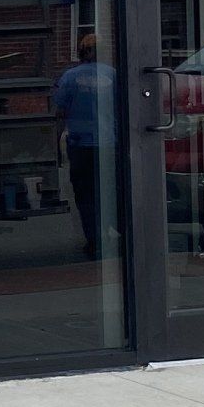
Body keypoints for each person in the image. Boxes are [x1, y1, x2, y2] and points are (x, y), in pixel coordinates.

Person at [52, 31, 117, 258]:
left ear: (82, 52)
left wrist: (55, 147)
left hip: (81, 145)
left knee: (85, 194)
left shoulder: (70, 78)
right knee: (110, 191)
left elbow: (60, 113)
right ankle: (114, 231)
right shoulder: (114, 76)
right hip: (109, 144)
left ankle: (94, 239)